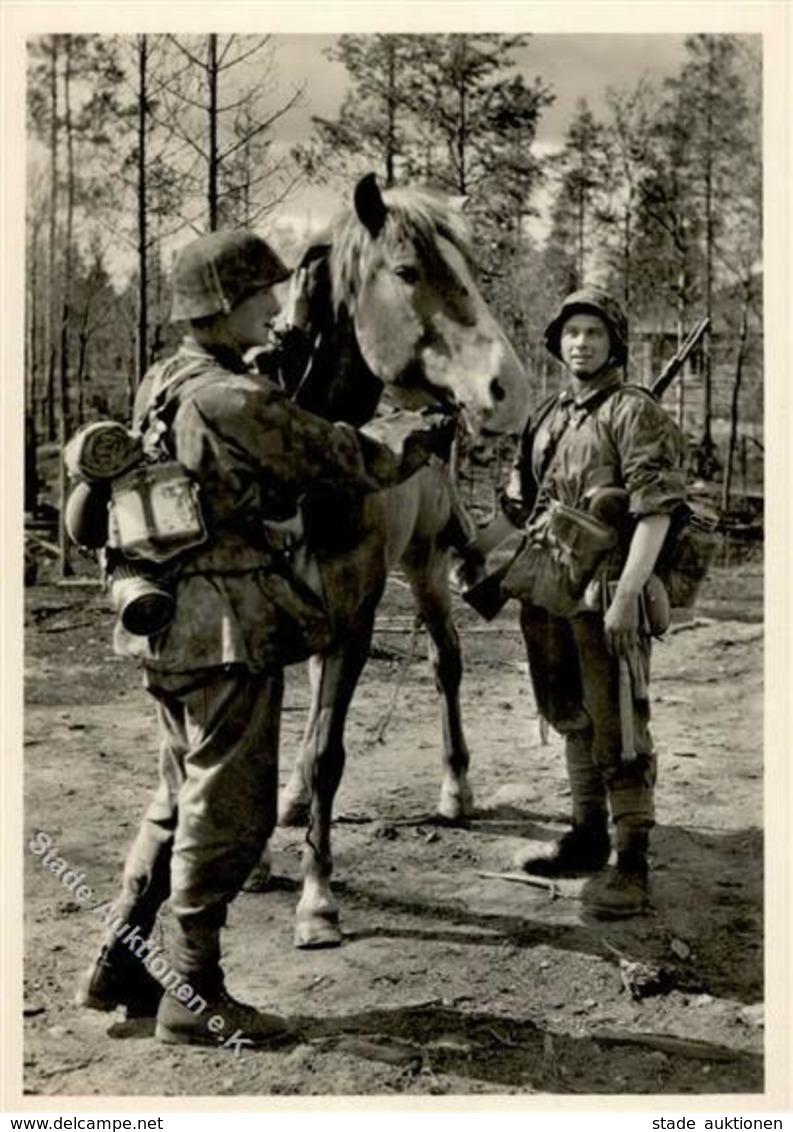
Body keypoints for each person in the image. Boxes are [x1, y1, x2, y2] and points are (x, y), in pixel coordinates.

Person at [73, 228, 455, 1046]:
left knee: (178, 795)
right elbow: (331, 453)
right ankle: (194, 993)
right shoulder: (229, 398)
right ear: (223, 303)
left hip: (167, 620)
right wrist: (409, 439)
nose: (278, 309)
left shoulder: (166, 382)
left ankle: (127, 962)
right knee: (234, 810)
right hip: (224, 627)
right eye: (261, 297)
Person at [472, 287, 687, 918]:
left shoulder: (633, 412)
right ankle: (587, 836)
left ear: (614, 342)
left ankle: (632, 863)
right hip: (550, 589)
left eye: (593, 332)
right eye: (571, 334)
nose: (581, 343)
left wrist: (626, 597)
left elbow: (657, 513)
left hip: (610, 589)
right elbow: (521, 501)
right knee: (568, 709)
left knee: (618, 719)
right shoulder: (548, 415)